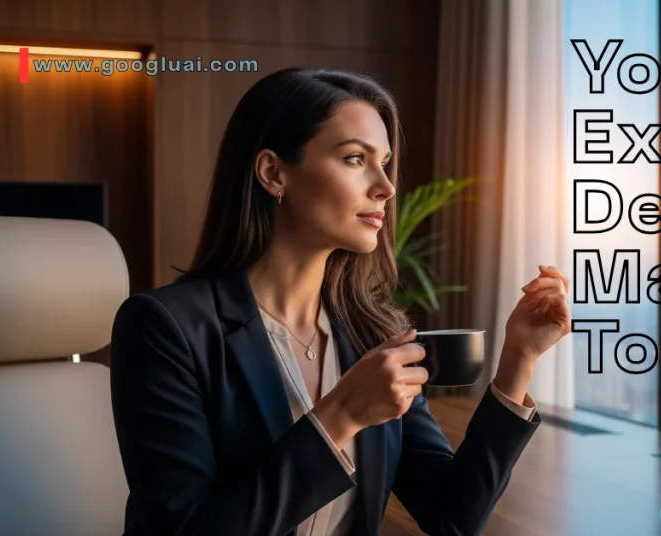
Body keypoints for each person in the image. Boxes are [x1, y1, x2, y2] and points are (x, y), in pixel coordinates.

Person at [109, 68, 572, 536]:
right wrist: (342, 414)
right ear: (273, 173)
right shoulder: (164, 327)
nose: (386, 187)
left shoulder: (371, 331)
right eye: (355, 158)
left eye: (385, 162)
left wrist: (519, 360)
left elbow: (452, 517)